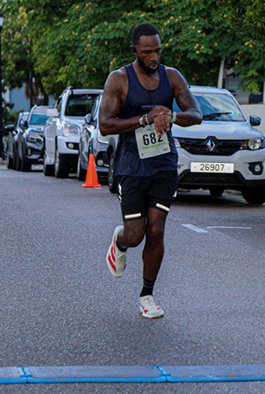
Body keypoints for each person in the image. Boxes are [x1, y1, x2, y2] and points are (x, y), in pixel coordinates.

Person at [98, 23, 202, 319]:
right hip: (131, 165)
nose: (154, 57)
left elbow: (196, 114)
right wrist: (144, 119)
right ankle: (120, 242)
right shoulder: (119, 79)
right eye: (147, 52)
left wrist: (171, 116)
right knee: (136, 235)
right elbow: (105, 125)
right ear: (134, 50)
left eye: (157, 50)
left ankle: (147, 295)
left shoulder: (172, 77)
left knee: (156, 230)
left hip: (163, 163)